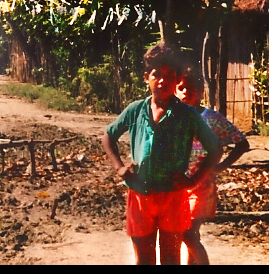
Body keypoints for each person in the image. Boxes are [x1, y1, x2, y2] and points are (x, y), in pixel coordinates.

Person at [102, 43, 222, 265]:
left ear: (177, 80)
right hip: (140, 194)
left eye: (169, 75)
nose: (162, 81)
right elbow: (108, 136)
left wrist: (193, 179)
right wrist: (119, 167)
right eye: (157, 74)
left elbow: (215, 149)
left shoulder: (187, 115)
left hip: (173, 196)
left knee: (170, 258)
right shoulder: (136, 110)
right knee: (144, 259)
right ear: (147, 77)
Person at [176, 64, 250, 265]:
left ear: (200, 92)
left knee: (188, 234)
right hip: (179, 186)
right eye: (181, 88)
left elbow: (241, 143)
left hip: (202, 187)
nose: (185, 93)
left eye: (190, 89)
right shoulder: (174, 118)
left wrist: (222, 165)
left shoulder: (211, 119)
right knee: (189, 235)